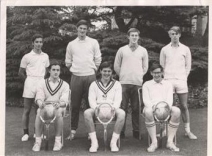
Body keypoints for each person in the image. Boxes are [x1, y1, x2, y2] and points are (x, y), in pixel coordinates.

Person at [65, 19, 102, 139]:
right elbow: (68, 62)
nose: (82, 31)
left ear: (87, 30)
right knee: (74, 106)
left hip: (90, 77)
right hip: (76, 77)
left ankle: (91, 133)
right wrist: (76, 70)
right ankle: (73, 131)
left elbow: (98, 59)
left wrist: (92, 70)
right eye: (80, 28)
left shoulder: (93, 42)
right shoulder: (71, 44)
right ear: (77, 29)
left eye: (85, 29)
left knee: (91, 105)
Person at [160, 26, 197, 139]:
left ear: (180, 35)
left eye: (176, 33)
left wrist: (183, 78)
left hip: (181, 81)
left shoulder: (185, 49)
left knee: (184, 106)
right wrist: (166, 78)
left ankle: (187, 131)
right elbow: (162, 65)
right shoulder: (164, 49)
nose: (174, 36)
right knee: (167, 106)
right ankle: (165, 131)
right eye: (172, 34)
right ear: (169, 35)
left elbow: (188, 66)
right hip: (168, 81)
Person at [114, 28, 148, 139]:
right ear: (128, 37)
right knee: (122, 108)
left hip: (137, 83)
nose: (134, 37)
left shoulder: (143, 51)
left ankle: (136, 131)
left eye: (136, 35)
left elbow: (145, 67)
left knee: (136, 108)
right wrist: (123, 75)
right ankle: (121, 131)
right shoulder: (122, 50)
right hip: (123, 83)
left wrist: (138, 75)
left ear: (138, 37)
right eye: (132, 35)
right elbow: (116, 66)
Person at [84, 62, 125, 152]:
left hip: (112, 110)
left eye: (109, 71)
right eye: (104, 71)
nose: (107, 73)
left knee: (122, 113)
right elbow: (91, 99)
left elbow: (118, 99)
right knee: (87, 113)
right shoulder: (94, 84)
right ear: (100, 71)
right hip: (98, 110)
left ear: (112, 73)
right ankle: (94, 142)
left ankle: (113, 142)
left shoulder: (117, 84)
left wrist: (114, 107)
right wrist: (95, 108)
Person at [142, 63, 181, 152]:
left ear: (162, 72)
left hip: (165, 108)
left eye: (158, 72)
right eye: (154, 73)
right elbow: (146, 101)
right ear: (151, 73)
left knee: (177, 111)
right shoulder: (146, 84)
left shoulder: (168, 84)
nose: (157, 75)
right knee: (147, 111)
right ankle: (154, 142)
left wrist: (164, 108)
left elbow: (169, 100)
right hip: (152, 109)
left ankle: (170, 142)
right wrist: (155, 108)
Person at [32, 61, 69, 151]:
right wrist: (41, 103)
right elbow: (39, 96)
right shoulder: (42, 83)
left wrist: (59, 104)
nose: (56, 72)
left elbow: (65, 100)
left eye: (58, 70)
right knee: (39, 111)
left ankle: (57, 141)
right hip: (46, 107)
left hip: (59, 107)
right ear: (49, 71)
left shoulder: (65, 85)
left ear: (60, 71)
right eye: (53, 70)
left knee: (58, 111)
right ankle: (38, 141)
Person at [19, 34, 50, 141]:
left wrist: (41, 81)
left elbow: (46, 71)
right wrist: (28, 82)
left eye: (40, 42)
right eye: (36, 42)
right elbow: (20, 72)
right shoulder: (27, 56)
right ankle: (25, 133)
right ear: (32, 43)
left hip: (41, 82)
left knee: (39, 110)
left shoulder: (45, 56)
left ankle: (37, 132)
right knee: (26, 110)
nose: (39, 44)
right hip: (30, 83)